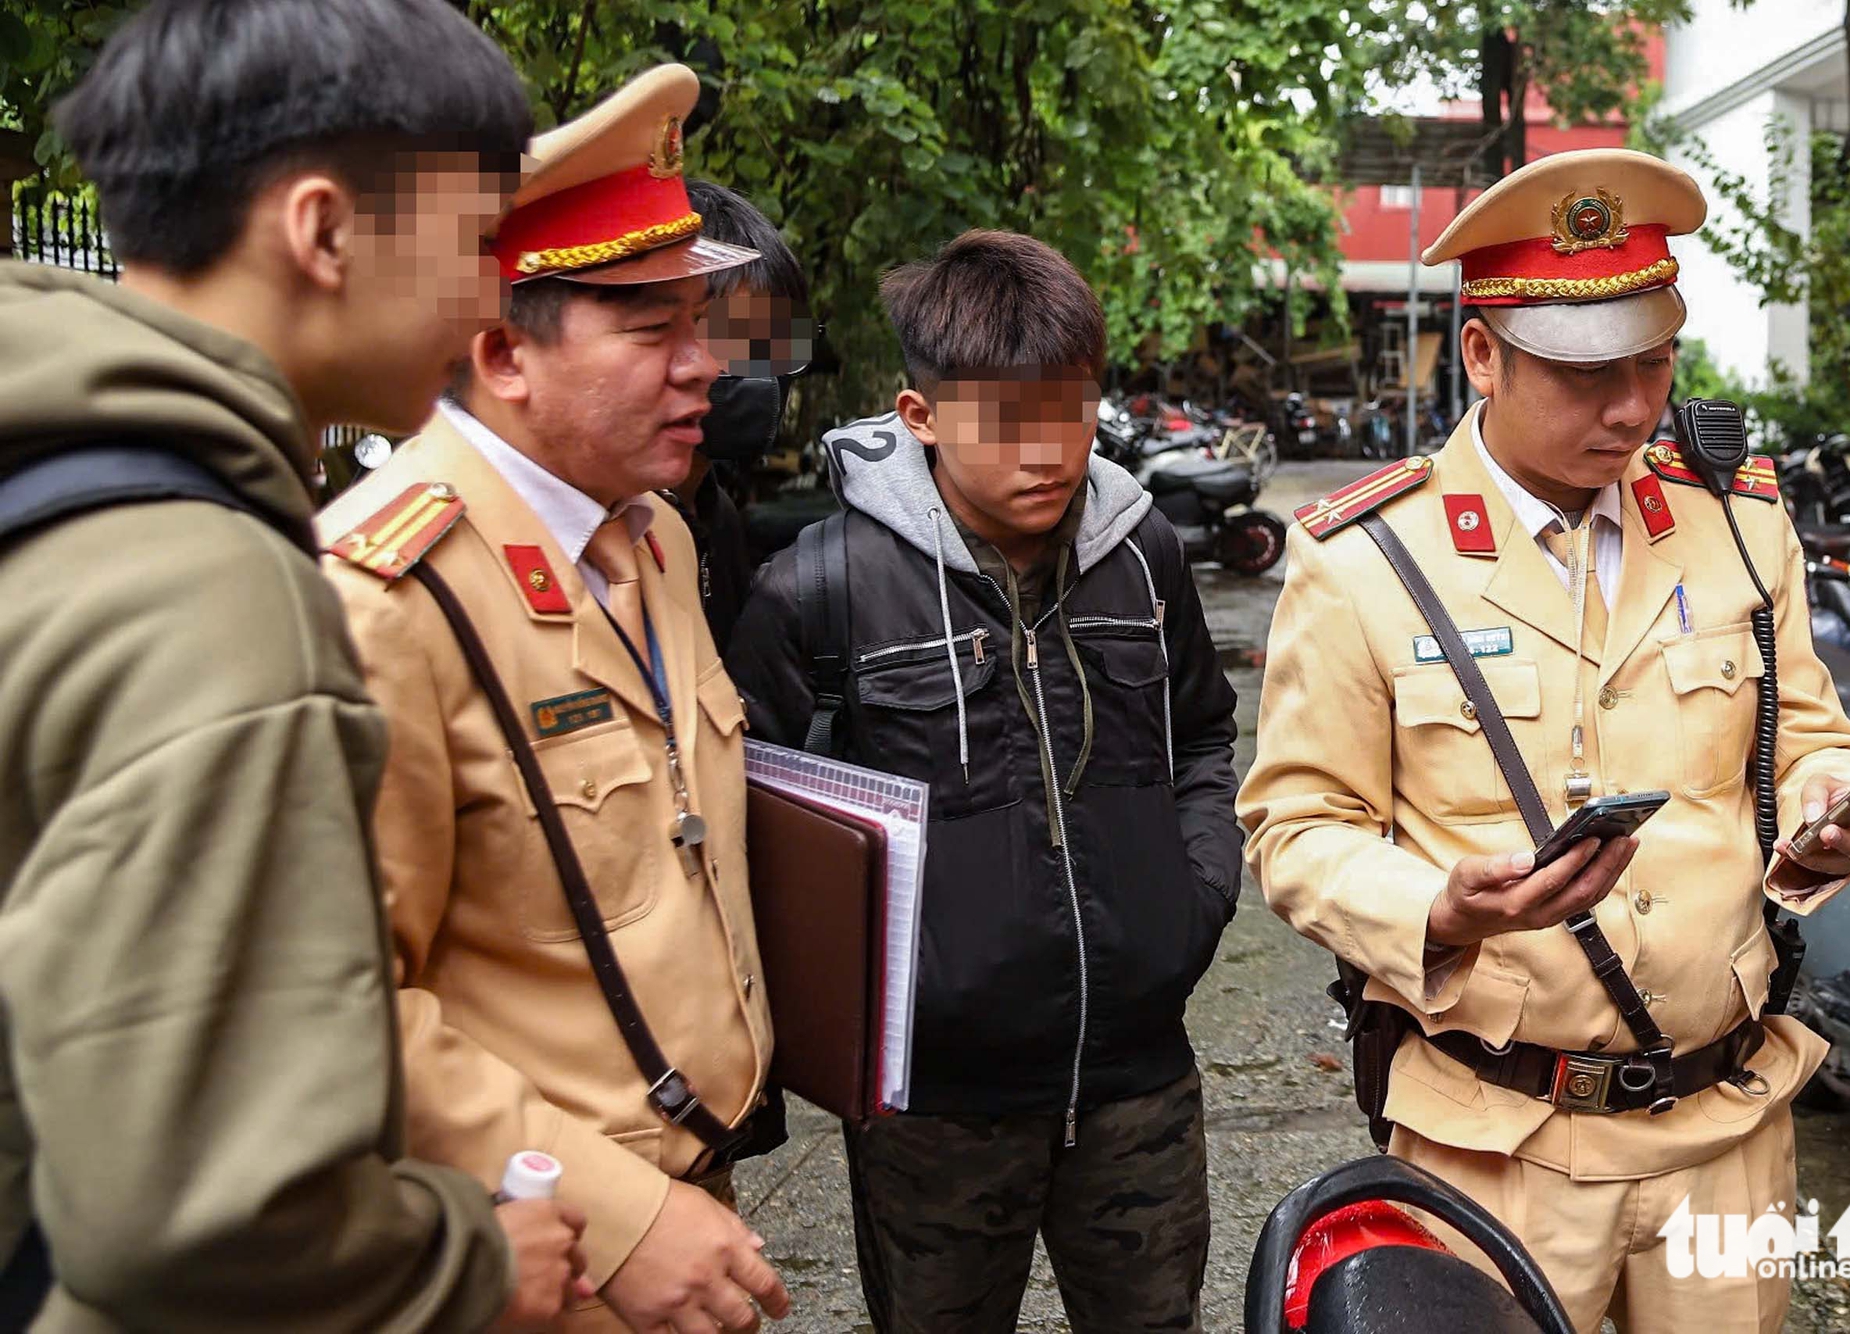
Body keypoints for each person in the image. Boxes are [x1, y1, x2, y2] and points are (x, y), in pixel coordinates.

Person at [1237, 147, 1850, 1333]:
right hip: (1491, 1141)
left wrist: (1831, 803)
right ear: (1481, 353)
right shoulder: (1365, 558)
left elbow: (1803, 730)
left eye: (1653, 361)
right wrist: (1437, 905)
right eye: (1584, 373)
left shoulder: (1736, 523)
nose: (1630, 407)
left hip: (1723, 1129)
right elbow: (1296, 829)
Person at [0, 1, 590, 1329]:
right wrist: (473, 1262)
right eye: (474, 242)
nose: (491, 300)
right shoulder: (207, 591)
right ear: (322, 231)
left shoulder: (59, 479)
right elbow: (210, 1216)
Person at [318, 64, 791, 1334]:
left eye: (702, 322)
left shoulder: (652, 537)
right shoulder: (386, 596)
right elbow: (336, 1005)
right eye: (652, 330)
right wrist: (619, 1213)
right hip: (537, 1246)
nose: (706, 368)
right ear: (499, 352)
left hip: (695, 1200)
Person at [727, 229, 1242, 1334]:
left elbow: (1203, 735)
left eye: (1071, 410)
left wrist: (1191, 902)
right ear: (920, 416)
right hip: (934, 1107)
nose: (1047, 452)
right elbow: (752, 831)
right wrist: (879, 1003)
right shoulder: (817, 591)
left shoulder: (1141, 554)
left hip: (1137, 1077)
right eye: (1005, 422)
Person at [674, 179, 813, 653]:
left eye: (773, 339)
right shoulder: (614, 526)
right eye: (730, 334)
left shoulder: (721, 522)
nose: (759, 365)